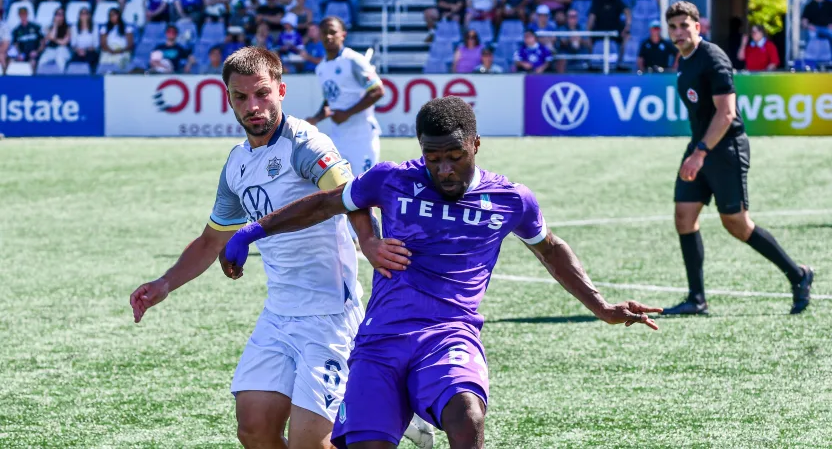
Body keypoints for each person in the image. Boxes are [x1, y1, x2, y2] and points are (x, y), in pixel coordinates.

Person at [220, 95, 664, 449]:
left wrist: (601, 307)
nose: (444, 169)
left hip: (450, 335)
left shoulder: (510, 200)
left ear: (475, 145)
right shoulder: (392, 179)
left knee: (467, 417)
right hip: (381, 340)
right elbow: (325, 202)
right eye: (434, 158)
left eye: (455, 156)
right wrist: (252, 231)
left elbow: (551, 250)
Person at [129, 46, 410, 449]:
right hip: (278, 315)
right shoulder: (237, 164)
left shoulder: (304, 142)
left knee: (309, 443)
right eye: (241, 97)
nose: (253, 106)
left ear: (280, 90)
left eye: (262, 94)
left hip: (329, 314)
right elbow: (212, 239)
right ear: (228, 99)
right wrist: (165, 283)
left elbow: (350, 194)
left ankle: (382, 411)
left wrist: (369, 240)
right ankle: (378, 408)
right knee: (254, 427)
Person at [663, 1, 814, 316]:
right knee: (684, 218)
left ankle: (798, 276)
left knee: (736, 224)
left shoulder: (712, 57)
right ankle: (697, 299)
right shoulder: (684, 59)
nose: (678, 33)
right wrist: (697, 150)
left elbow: (727, 112)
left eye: (683, 26)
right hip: (700, 147)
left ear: (697, 26)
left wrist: (700, 154)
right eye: (673, 27)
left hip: (724, 149)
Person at [306, 17, 384, 192]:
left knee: (365, 192)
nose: (328, 37)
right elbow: (330, 98)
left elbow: (378, 91)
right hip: (338, 138)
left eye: (333, 32)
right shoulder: (321, 68)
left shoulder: (354, 60)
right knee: (339, 192)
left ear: (343, 35)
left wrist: (347, 113)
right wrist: (317, 118)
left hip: (362, 137)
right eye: (324, 32)